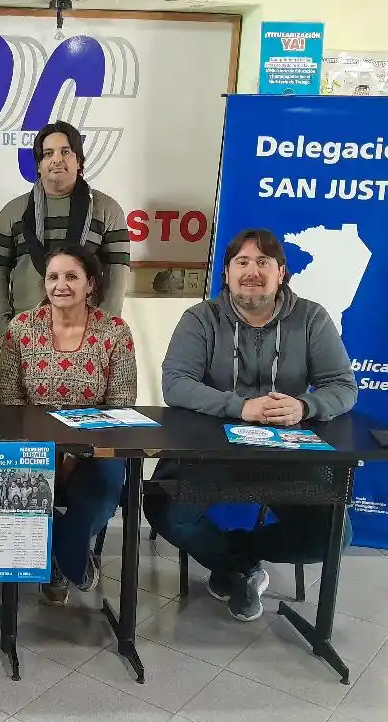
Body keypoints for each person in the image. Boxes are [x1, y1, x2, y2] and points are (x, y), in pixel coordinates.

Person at [146, 228, 358, 622]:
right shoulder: (201, 318)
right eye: (242, 262)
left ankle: (239, 557)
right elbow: (175, 384)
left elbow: (343, 386)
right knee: (164, 509)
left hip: (288, 452)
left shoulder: (311, 318)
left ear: (282, 273)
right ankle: (241, 569)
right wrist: (239, 407)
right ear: (226, 273)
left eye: (263, 263)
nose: (252, 271)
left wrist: (304, 405)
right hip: (211, 451)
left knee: (333, 537)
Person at [0, 244, 136, 605]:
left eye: (71, 276)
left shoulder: (115, 331)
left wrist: (77, 448)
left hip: (95, 444)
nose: (61, 285)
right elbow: (8, 398)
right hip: (33, 443)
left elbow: (121, 401)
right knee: (7, 488)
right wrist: (48, 447)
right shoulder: (22, 328)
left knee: (103, 491)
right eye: (53, 277)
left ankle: (60, 558)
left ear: (91, 284)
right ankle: (70, 559)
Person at [0, 120, 131, 340]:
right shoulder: (12, 213)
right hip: (25, 339)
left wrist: (100, 338)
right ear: (38, 164)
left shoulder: (107, 211)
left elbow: (116, 282)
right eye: (48, 153)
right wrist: (4, 335)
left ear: (79, 161)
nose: (56, 160)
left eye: (66, 152)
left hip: (86, 338)